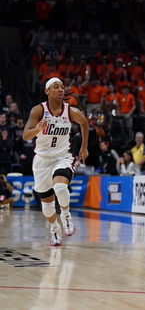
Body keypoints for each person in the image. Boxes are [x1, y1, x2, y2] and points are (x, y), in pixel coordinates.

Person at [22, 78, 90, 246]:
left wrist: (84, 147)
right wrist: (38, 128)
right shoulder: (38, 110)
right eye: (55, 87)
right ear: (47, 91)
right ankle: (54, 229)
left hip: (62, 156)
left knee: (60, 186)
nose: (60, 90)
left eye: (62, 87)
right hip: (42, 160)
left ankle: (66, 216)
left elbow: (84, 123)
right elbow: (25, 136)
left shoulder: (70, 111)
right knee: (47, 204)